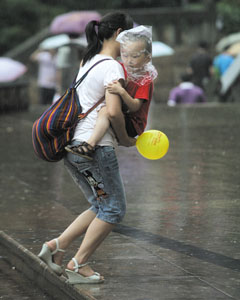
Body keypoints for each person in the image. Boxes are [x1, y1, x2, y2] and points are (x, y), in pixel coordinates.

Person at [38, 11, 135, 284]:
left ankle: (56, 247)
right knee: (114, 208)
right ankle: (77, 264)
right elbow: (114, 113)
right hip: (96, 150)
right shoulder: (113, 67)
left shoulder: (88, 60)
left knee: (100, 203)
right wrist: (126, 140)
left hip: (74, 148)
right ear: (119, 34)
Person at [65, 25, 158, 159]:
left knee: (105, 111)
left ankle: (90, 144)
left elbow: (135, 107)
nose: (129, 60)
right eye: (125, 55)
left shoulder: (145, 80)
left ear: (147, 58)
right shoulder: (120, 67)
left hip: (133, 124)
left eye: (135, 56)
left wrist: (121, 91)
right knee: (104, 110)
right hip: (122, 115)